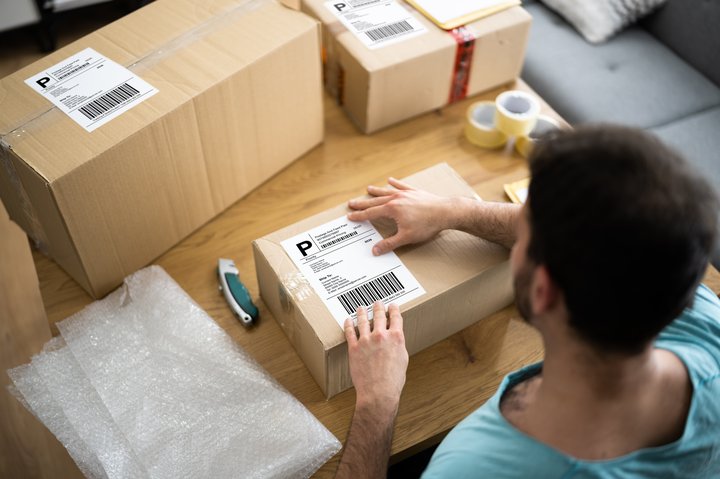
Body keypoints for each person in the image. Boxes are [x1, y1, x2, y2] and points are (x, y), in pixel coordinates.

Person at [334, 125, 720, 478]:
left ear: (543, 290)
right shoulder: (702, 319)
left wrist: (376, 403)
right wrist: (456, 210)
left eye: (526, 232)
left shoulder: (473, 467)